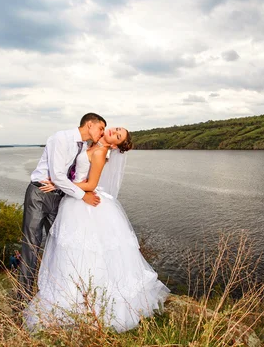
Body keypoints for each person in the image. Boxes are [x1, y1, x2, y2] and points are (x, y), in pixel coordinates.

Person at [25, 127, 170, 333]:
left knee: (89, 250)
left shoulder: (101, 152)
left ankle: (91, 299)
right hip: (72, 201)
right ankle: (74, 293)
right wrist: (61, 182)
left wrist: (59, 183)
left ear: (114, 145)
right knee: (72, 250)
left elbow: (91, 183)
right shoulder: (90, 144)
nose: (114, 131)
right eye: (117, 129)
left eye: (118, 136)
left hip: (85, 203)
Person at [19, 113, 106, 297]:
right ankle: (23, 296)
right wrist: (83, 195)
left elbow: (73, 175)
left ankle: (52, 292)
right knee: (32, 244)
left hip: (60, 198)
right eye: (101, 128)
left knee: (59, 244)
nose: (102, 132)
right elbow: (58, 175)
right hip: (39, 194)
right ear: (89, 125)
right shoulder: (60, 138)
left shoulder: (83, 146)